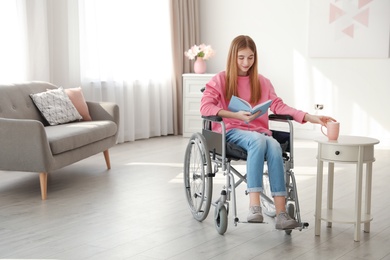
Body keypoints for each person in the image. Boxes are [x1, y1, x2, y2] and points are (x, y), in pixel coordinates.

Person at [200, 35, 336, 230]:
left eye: (250, 57)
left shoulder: (262, 81)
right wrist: (235, 115)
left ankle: (281, 213)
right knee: (259, 140)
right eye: (241, 57)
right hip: (231, 131)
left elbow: (279, 106)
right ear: (232, 57)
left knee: (272, 143)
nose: (246, 63)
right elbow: (205, 108)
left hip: (258, 133)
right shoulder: (220, 80)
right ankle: (254, 206)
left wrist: (310, 117)